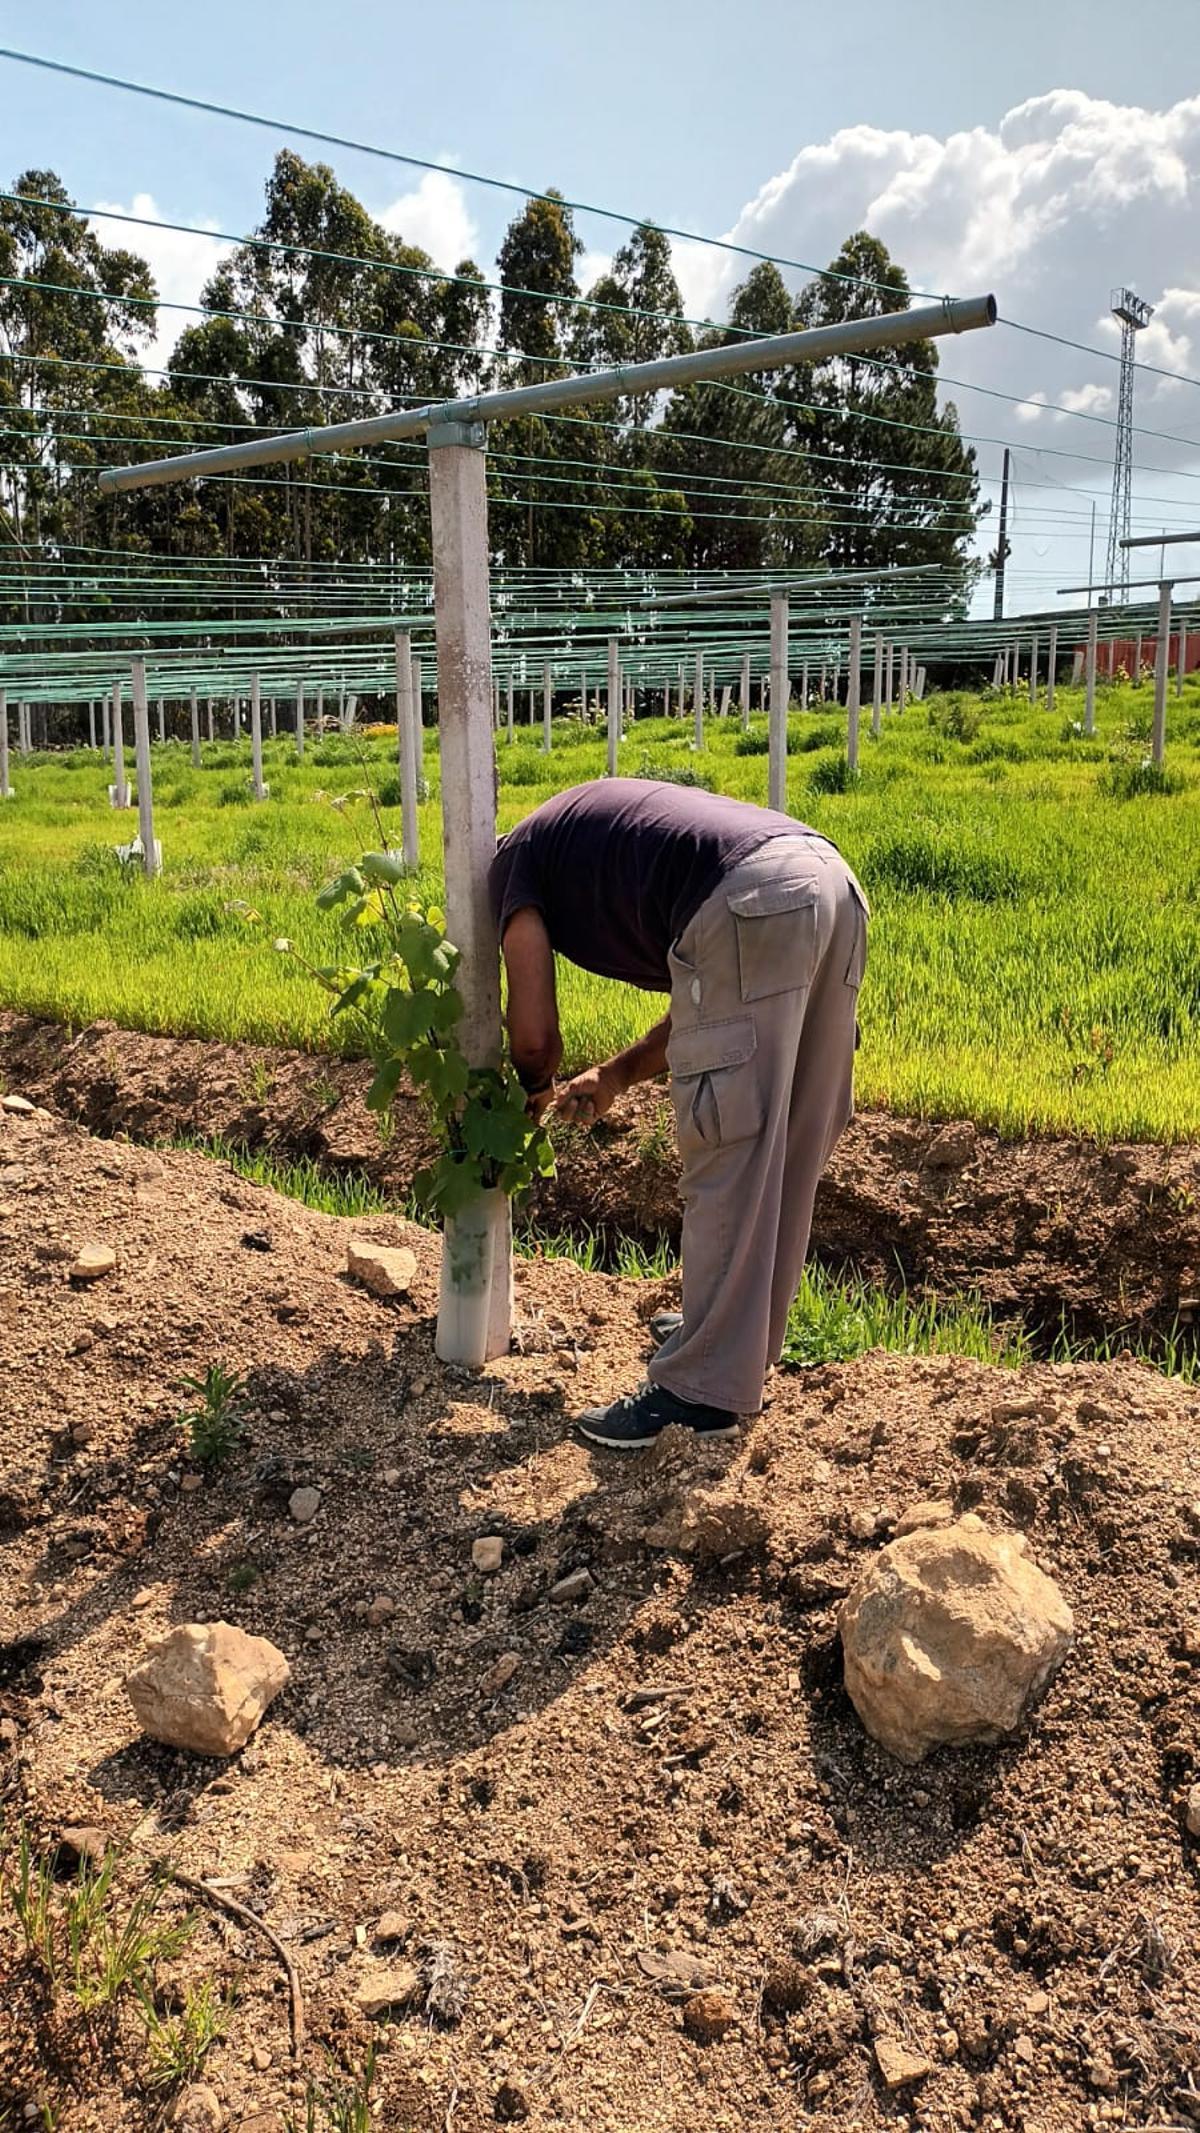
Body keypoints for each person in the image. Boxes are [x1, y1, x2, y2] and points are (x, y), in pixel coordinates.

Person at [488, 778, 868, 1449]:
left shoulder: (509, 866)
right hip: (828, 879)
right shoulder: (578, 828)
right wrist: (616, 1075)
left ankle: (700, 1390)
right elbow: (718, 990)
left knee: (729, 1142)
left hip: (754, 898)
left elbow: (534, 1036)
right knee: (790, 1132)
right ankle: (735, 1341)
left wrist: (531, 1090)